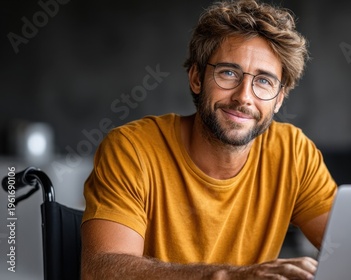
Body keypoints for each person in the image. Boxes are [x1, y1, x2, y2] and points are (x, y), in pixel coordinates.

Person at [81, 0, 337, 279]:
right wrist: (228, 276)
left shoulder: (293, 153)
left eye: (264, 81)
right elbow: (100, 270)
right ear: (196, 78)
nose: (244, 97)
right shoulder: (133, 149)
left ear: (279, 99)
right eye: (228, 73)